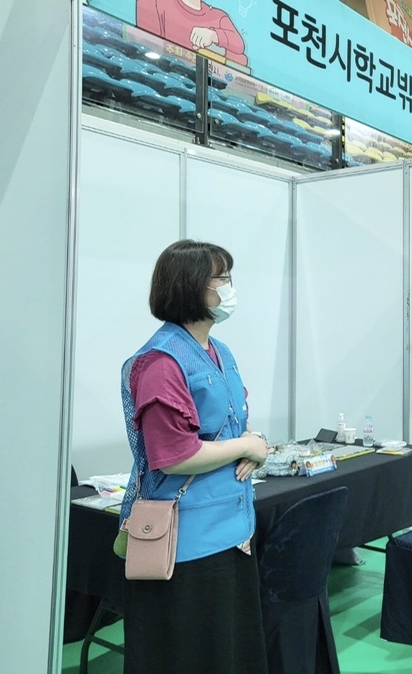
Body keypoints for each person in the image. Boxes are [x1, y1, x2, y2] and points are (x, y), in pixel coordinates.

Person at [119, 239, 270, 673]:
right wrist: (245, 447)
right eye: (221, 278)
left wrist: (253, 443)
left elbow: (231, 423)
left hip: (234, 530)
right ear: (189, 286)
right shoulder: (161, 362)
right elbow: (173, 454)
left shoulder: (220, 352)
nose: (229, 287)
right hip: (186, 545)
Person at [137, 0, 249, 66]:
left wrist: (213, 36)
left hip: (205, 87)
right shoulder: (155, 2)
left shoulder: (218, 16)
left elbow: (239, 47)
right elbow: (145, 45)